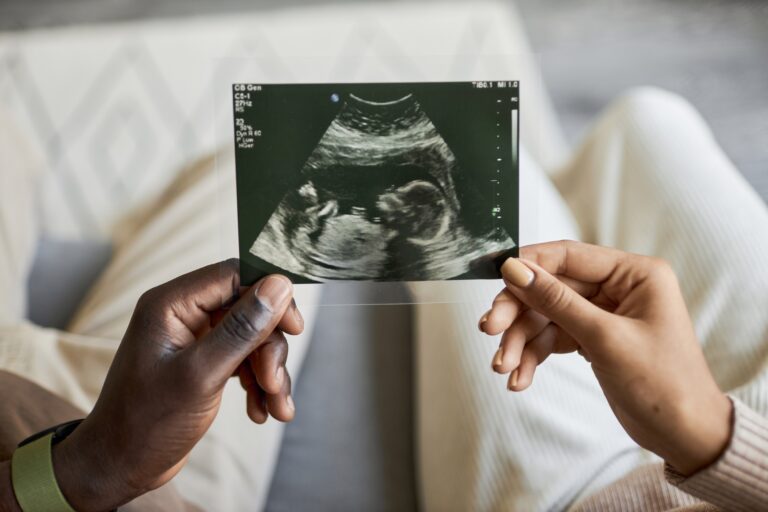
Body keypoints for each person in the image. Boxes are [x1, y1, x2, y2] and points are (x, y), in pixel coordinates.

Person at [1, 87, 767, 510]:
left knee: (470, 166)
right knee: (644, 121)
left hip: (595, 496)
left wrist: (95, 466)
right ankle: (573, 199)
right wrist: (719, 438)